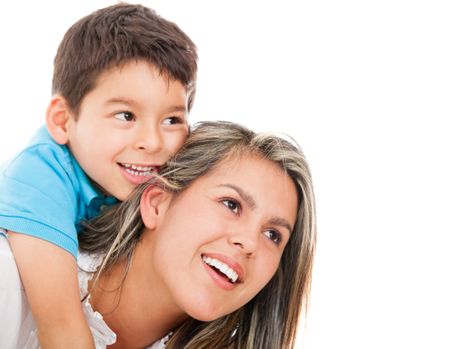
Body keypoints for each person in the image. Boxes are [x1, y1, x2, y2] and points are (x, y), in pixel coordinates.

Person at [0, 121, 316, 349]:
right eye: (231, 204)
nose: (249, 242)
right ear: (157, 203)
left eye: (273, 235)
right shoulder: (12, 283)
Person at [0, 3, 197, 348]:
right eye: (125, 115)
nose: (152, 142)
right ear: (63, 121)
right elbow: (60, 327)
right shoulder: (38, 178)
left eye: (171, 120)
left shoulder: (140, 183)